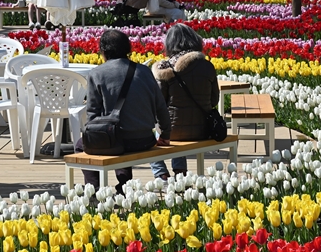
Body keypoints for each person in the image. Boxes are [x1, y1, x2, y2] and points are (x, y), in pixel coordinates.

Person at [77, 29, 170, 192]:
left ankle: (94, 190)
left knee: (81, 145)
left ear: (103, 51)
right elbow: (161, 106)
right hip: (145, 139)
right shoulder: (144, 71)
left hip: (118, 141)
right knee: (117, 136)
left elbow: (92, 114)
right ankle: (124, 186)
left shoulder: (97, 73)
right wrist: (165, 135)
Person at [149, 24, 218, 180]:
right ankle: (180, 172)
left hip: (174, 131)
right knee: (177, 124)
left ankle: (161, 174)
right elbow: (214, 100)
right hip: (204, 129)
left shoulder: (165, 68)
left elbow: (158, 105)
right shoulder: (207, 66)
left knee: (151, 134)